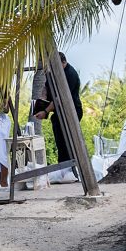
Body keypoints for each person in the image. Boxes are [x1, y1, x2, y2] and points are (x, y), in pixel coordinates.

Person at [35, 52, 84, 181]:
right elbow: (47, 87)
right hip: (58, 112)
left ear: (63, 62)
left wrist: (45, 111)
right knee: (60, 142)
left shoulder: (70, 74)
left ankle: (71, 172)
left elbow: (60, 98)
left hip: (71, 111)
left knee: (67, 141)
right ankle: (63, 172)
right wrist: (43, 98)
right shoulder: (54, 72)